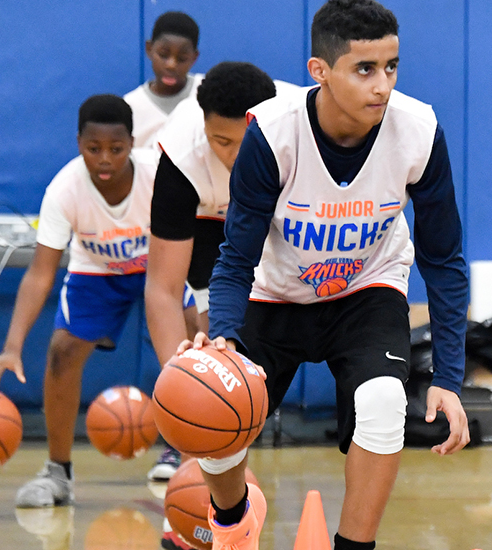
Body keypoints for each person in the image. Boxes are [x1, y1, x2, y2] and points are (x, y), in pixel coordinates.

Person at [177, 1, 470, 549]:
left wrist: (450, 379)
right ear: (320, 71)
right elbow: (236, 255)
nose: (382, 85)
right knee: (215, 413)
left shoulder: (419, 130)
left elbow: (444, 261)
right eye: (364, 69)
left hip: (367, 289)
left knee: (384, 400)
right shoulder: (270, 132)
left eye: (392, 66)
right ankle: (233, 519)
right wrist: (223, 336)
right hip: (276, 293)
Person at [143, 61, 302, 550]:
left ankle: (230, 504)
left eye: (241, 141)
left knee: (255, 366)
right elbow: (162, 289)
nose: (232, 155)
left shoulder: (301, 128)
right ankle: (207, 508)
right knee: (216, 373)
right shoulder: (182, 156)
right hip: (213, 229)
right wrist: (185, 390)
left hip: (292, 233)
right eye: (221, 142)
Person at [0, 94, 158, 508]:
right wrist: (11, 347)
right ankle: (58, 472)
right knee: (61, 352)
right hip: (97, 272)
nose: (105, 159)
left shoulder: (160, 175)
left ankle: (194, 459)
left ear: (133, 142)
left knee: (188, 347)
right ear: (78, 144)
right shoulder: (64, 189)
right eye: (94, 149)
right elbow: (40, 274)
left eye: (116, 148)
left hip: (157, 267)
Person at [125, 11, 203, 148]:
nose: (171, 65)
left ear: (194, 57)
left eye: (182, 58)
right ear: (149, 48)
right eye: (163, 55)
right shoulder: (130, 107)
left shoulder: (208, 91)